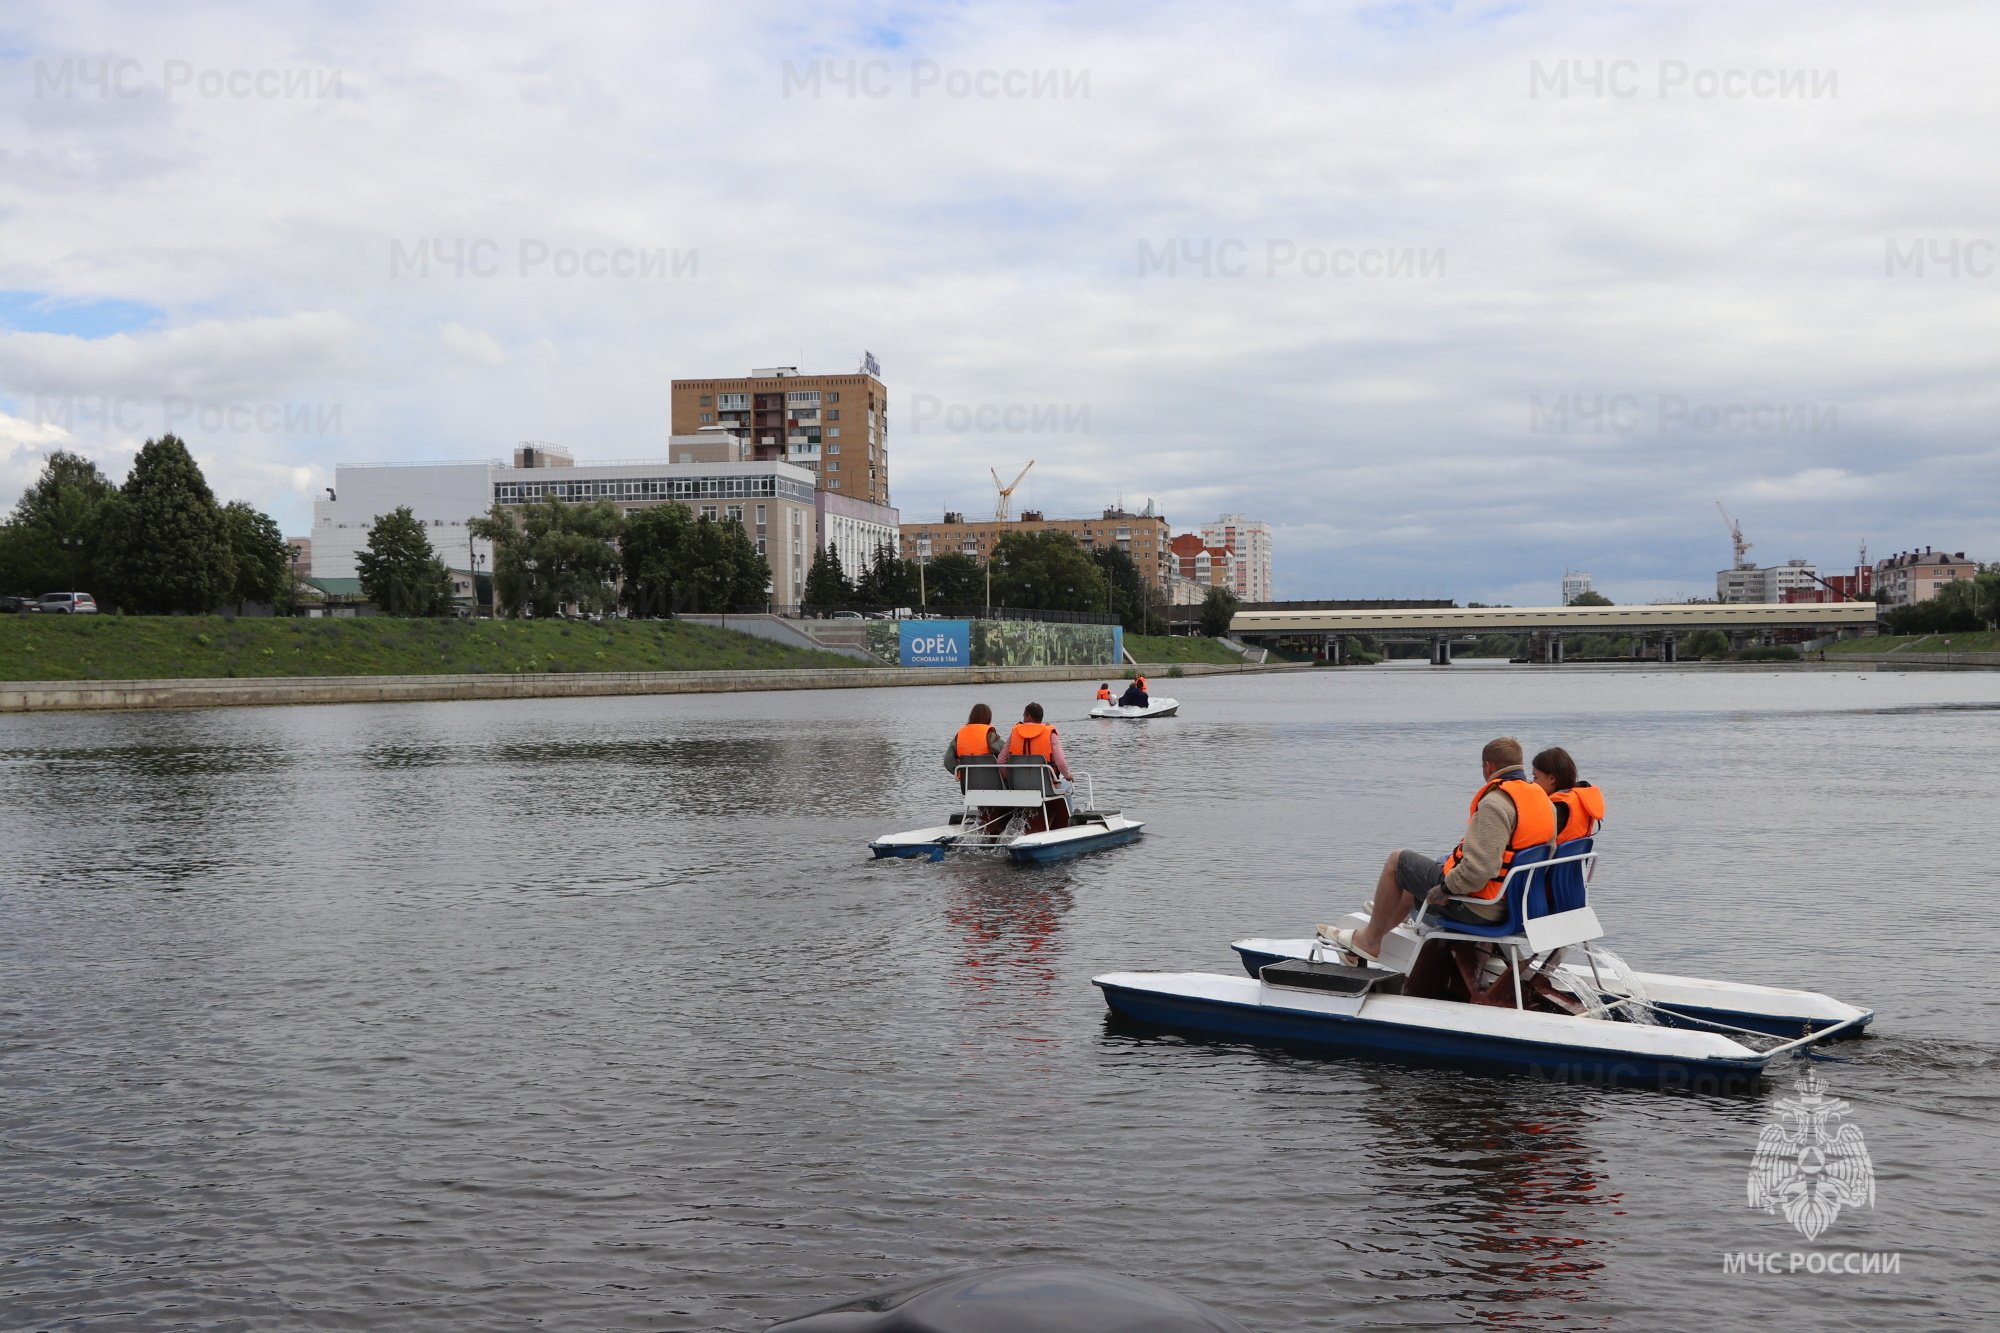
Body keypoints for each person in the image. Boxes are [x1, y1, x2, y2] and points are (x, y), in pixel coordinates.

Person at [1319, 737, 1558, 962]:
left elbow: (1480, 869)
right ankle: (1378, 931)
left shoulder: (1496, 803)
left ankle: (1370, 940)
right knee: (1424, 872)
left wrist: (1445, 888)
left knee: (1398, 861)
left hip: (1485, 909)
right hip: (1519, 904)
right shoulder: (1544, 802)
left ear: (1488, 766)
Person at [1003, 702, 1073, 833]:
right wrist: (1068, 776)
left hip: (1018, 786)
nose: (1023, 720)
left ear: (1028, 717)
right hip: (1046, 788)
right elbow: (1061, 762)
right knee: (1067, 785)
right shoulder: (1050, 734)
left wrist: (1011, 779)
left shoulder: (1014, 733)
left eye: (1024, 716)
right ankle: (1069, 822)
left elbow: (1001, 760)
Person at [945, 703, 1007, 833]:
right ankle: (1001, 823)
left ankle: (985, 825)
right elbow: (1006, 754)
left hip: (970, 785)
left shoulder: (959, 735)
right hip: (993, 785)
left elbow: (948, 762)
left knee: (984, 807)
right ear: (988, 718)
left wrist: (963, 774)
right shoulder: (989, 734)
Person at [1532, 746, 1604, 844]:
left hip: (1552, 859)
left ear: (1552, 778)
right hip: (1573, 857)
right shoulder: (1579, 800)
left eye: (1535, 777)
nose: (1533, 783)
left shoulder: (1557, 808)